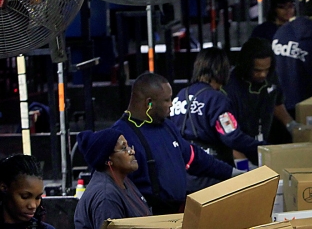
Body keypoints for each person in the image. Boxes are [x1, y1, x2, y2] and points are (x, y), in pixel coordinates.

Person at [116, 72, 236, 214]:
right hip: (149, 218)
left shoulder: (167, 126)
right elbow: (116, 188)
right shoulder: (121, 136)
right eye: (167, 100)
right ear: (149, 103)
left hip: (178, 213)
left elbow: (196, 158)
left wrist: (233, 173)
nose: (171, 104)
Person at [173, 48, 261, 190]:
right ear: (222, 71)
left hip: (183, 176)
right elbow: (232, 137)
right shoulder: (216, 99)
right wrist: (262, 148)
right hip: (213, 175)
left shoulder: (181, 95)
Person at [224, 37, 296, 144]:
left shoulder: (271, 76)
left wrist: (291, 125)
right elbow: (229, 132)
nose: (263, 74)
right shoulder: (230, 87)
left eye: (266, 69)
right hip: (240, 145)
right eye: (257, 70)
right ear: (246, 65)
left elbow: (277, 103)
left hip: (263, 141)